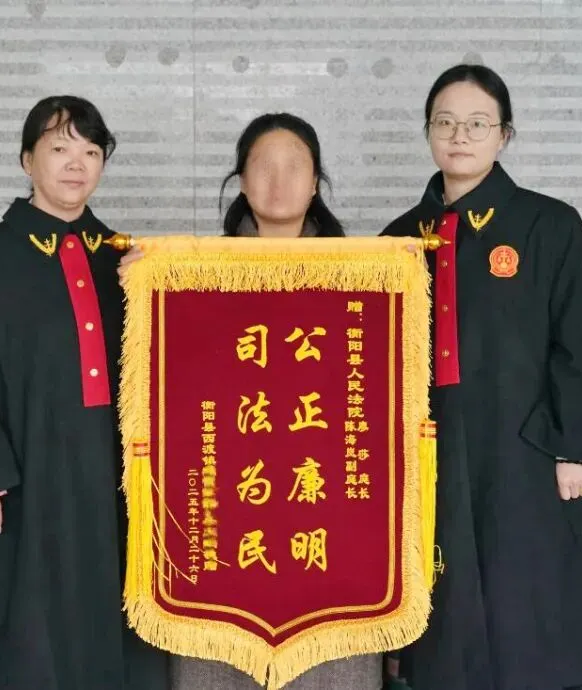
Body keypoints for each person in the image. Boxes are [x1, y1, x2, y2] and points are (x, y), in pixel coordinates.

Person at [379, 64, 582, 689]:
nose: (459, 136)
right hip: (431, 448)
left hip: (526, 442)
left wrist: (578, 449)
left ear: (504, 135)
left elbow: (576, 338)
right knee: (446, 600)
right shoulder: (397, 240)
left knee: (526, 596)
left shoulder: (550, 225)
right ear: (428, 132)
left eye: (477, 123)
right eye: (445, 122)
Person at [120, 112, 381, 690]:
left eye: (295, 167)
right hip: (227, 496)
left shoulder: (364, 277)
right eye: (263, 167)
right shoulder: (197, 276)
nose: (278, 181)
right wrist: (142, 289)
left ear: (316, 182)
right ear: (241, 181)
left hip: (326, 504)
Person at [0, 95, 170, 690]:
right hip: (19, 486)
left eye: (91, 151)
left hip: (113, 485)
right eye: (60, 148)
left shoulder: (129, 262)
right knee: (25, 633)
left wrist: (157, 286)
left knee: (115, 626)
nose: (76, 164)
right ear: (26, 160)